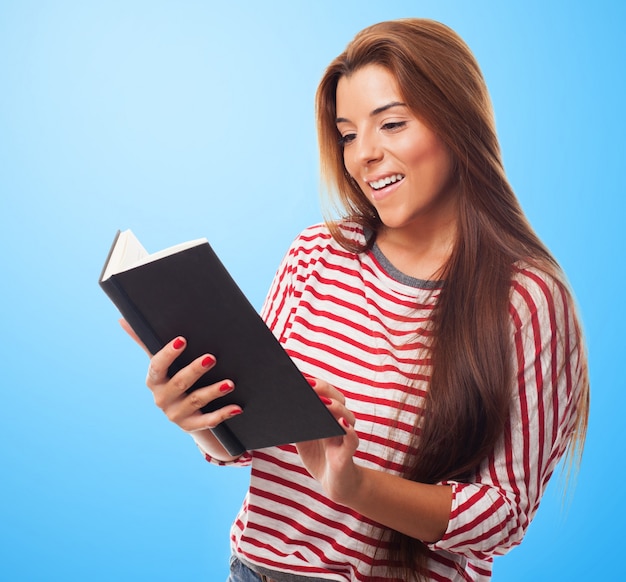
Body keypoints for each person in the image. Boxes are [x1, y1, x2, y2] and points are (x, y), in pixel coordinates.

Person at [123, 18, 589, 582]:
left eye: (391, 124)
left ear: (458, 124)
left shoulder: (527, 299)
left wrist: (355, 485)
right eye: (347, 134)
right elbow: (242, 445)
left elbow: (503, 517)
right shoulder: (315, 254)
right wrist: (196, 416)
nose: (364, 154)